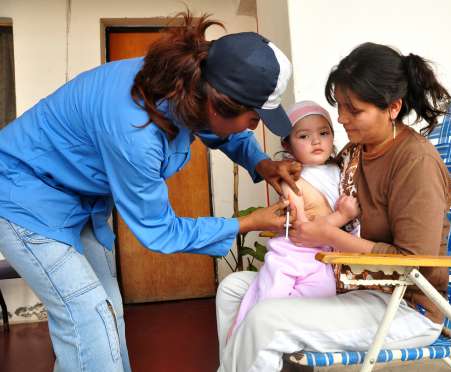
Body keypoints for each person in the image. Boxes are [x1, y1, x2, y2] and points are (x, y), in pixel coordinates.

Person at [0, 12, 301, 372]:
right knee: (88, 317)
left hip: (76, 199)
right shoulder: (135, 129)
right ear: (219, 102)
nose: (254, 129)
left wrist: (262, 164)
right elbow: (159, 231)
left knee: (108, 307)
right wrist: (247, 223)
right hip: (23, 194)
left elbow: (223, 129)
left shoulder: (188, 87)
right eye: (254, 120)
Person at [216, 42, 451, 372]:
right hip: (347, 283)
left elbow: (414, 264)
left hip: (403, 305)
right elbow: (317, 185)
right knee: (232, 290)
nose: (341, 119)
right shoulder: (356, 153)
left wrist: (325, 232)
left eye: (353, 110)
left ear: (393, 107)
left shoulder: (415, 161)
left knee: (266, 320)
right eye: (340, 107)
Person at [223, 101, 360, 342]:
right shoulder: (292, 180)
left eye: (324, 133)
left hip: (324, 255)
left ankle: (287, 342)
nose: (316, 141)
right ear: (287, 144)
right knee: (270, 299)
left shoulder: (340, 170)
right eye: (304, 136)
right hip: (294, 254)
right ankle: (249, 338)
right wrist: (343, 216)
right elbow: (303, 230)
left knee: (320, 299)